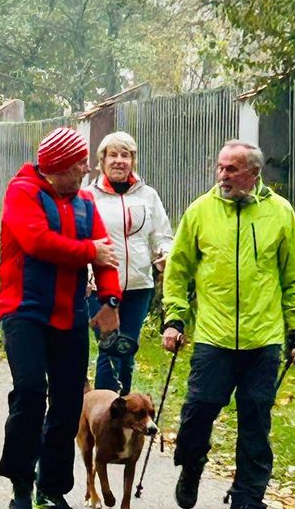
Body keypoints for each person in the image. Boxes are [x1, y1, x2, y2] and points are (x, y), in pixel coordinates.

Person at [163, 140, 295, 509]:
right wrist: (175, 317)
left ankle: (248, 497)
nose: (222, 175)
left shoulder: (280, 212)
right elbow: (178, 270)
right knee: (197, 412)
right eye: (220, 167)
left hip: (264, 338)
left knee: (255, 421)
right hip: (214, 336)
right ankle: (192, 464)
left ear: (254, 173)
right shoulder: (200, 211)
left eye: (232, 169)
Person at [0, 126, 121, 509]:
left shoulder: (84, 201)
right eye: (78, 163)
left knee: (68, 402)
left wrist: (110, 300)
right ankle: (20, 480)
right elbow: (37, 242)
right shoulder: (22, 192)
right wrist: (90, 253)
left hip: (69, 314)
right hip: (24, 310)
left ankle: (51, 489)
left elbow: (105, 253)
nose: (85, 169)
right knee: (31, 392)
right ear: (57, 167)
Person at [87, 131, 172, 394]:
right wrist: (88, 271)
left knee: (127, 349)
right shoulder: (89, 196)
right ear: (102, 160)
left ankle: (124, 412)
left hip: (138, 285)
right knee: (109, 348)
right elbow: (81, 236)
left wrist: (165, 253)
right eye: (113, 155)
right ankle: (103, 417)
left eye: (126, 155)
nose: (119, 161)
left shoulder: (148, 195)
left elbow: (162, 234)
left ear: (133, 161)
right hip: (99, 287)